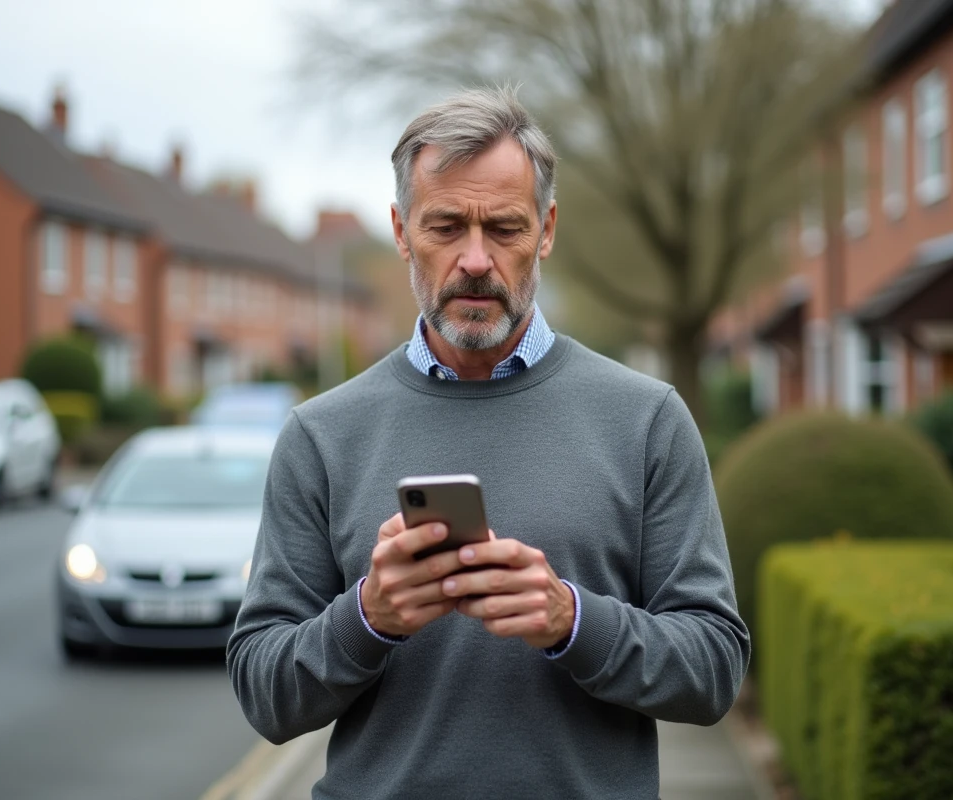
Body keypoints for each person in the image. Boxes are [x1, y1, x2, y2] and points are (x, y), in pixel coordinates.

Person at [227, 86, 750, 799]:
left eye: (503, 228)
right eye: (446, 227)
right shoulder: (320, 435)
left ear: (547, 229)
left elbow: (714, 670)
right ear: (402, 231)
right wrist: (367, 618)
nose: (476, 259)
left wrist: (572, 620)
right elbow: (265, 693)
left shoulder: (647, 419)